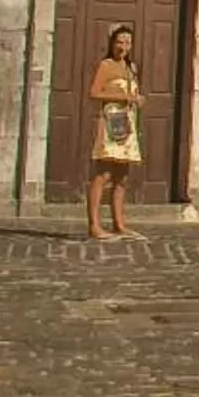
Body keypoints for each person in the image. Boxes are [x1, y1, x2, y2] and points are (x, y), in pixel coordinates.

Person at [84, 25, 143, 241]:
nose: (123, 47)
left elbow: (131, 93)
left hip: (126, 122)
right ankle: (95, 226)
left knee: (122, 176)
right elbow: (94, 92)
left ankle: (119, 224)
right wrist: (122, 98)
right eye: (120, 42)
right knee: (103, 173)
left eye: (127, 42)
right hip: (111, 119)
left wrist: (137, 99)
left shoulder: (131, 67)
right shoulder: (106, 65)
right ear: (112, 43)